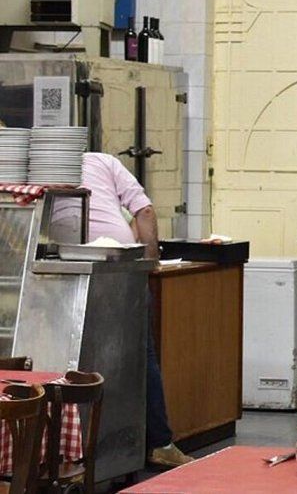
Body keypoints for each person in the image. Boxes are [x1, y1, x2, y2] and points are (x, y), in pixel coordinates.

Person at [70, 152, 194, 469]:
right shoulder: (103, 161)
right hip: (122, 266)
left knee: (75, 356)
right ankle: (159, 443)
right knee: (140, 353)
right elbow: (145, 211)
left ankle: (70, 447)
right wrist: (150, 265)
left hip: (68, 267)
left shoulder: (33, 167)